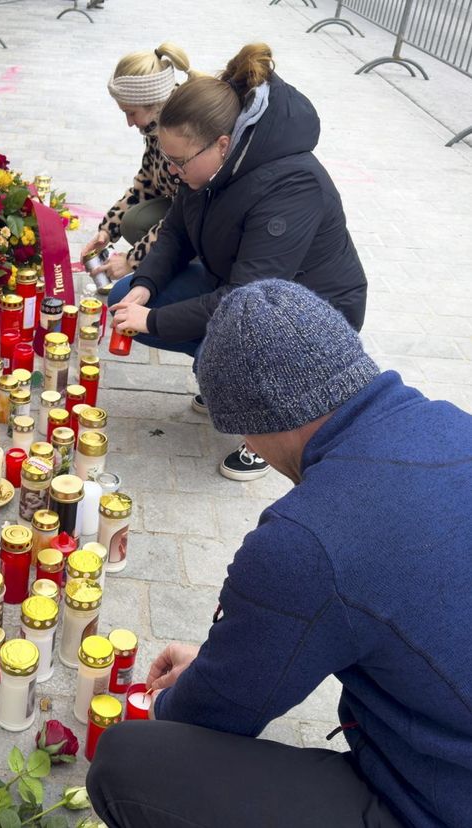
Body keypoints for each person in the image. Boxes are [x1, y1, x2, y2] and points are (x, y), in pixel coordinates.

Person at [87, 280, 472, 828]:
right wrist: (230, 664)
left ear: (257, 422)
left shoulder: (306, 539)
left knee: (130, 762)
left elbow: (210, 717)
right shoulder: (452, 424)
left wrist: (188, 697)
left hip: (440, 803)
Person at [107, 43, 367, 482]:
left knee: (220, 344)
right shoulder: (204, 164)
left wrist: (151, 320)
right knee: (124, 296)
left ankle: (273, 429)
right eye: (167, 159)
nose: (171, 171)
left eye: (178, 161)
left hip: (311, 313)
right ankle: (221, 377)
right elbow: (175, 232)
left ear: (222, 144)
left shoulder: (291, 184)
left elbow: (249, 299)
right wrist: (145, 285)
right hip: (244, 289)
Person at [80, 44, 196, 282]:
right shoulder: (158, 124)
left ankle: (190, 270)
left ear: (154, 103)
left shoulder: (183, 133)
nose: (129, 123)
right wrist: (106, 231)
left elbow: (184, 214)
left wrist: (132, 260)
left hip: (203, 222)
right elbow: (145, 184)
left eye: (131, 113)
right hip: (183, 209)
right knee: (132, 221)